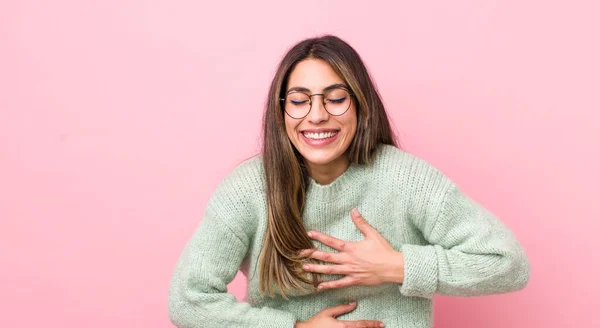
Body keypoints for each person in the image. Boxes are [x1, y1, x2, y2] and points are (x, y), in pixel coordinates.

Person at [167, 34, 530, 328]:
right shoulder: (249, 188)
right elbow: (187, 299)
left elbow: (508, 264)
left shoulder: (406, 178)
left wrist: (397, 266)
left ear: (360, 104)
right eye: (299, 101)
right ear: (281, 112)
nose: (317, 116)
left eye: (336, 98)